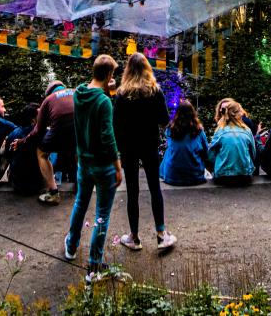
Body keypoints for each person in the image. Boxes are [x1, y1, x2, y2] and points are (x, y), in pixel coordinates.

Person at [64, 55, 123, 276]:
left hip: (84, 161)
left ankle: (71, 246)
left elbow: (83, 121)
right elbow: (108, 137)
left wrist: (109, 90)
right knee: (102, 215)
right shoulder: (104, 102)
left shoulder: (79, 93)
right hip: (103, 165)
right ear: (109, 75)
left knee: (80, 203)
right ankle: (94, 263)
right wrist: (117, 165)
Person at [111, 53, 175, 253]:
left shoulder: (121, 94)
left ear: (128, 70)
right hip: (149, 144)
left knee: (132, 191)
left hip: (128, 147)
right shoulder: (154, 92)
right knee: (155, 187)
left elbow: (115, 125)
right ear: (147, 68)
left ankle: (134, 237)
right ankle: (161, 234)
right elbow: (164, 121)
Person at [29, 80, 76, 205]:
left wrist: (23, 140)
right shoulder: (76, 91)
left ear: (48, 92)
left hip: (60, 130)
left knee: (41, 153)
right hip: (81, 129)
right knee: (78, 151)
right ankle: (80, 186)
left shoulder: (48, 99)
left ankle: (54, 193)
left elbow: (39, 130)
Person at [160, 102, 211, 187]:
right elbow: (206, 151)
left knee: (169, 151)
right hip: (196, 177)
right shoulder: (198, 130)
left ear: (177, 113)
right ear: (193, 113)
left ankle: (167, 173)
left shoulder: (170, 129)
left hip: (172, 177)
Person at [208, 98, 256, 185]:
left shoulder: (220, 130)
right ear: (237, 114)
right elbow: (253, 153)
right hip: (244, 176)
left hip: (223, 177)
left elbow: (211, 155)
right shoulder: (247, 130)